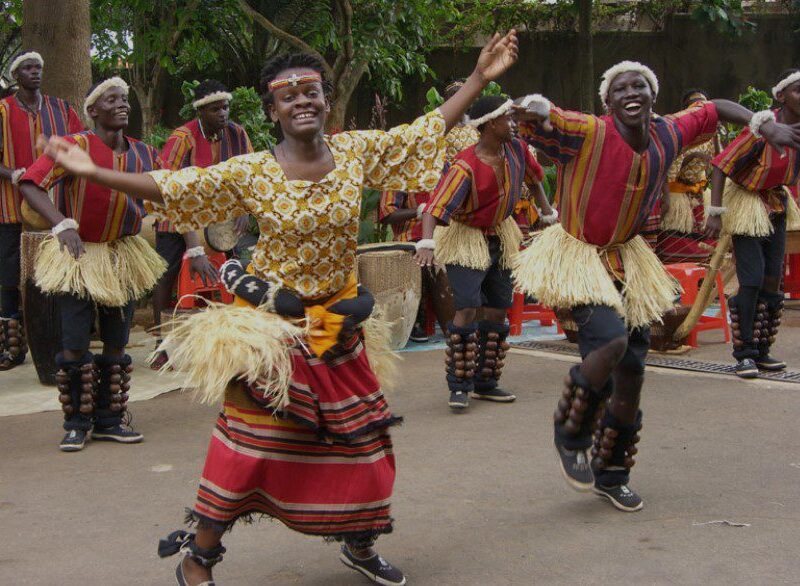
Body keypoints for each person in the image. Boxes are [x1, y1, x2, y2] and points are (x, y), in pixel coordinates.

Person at [37, 33, 519, 586]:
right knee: (247, 450)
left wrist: (480, 78)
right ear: (272, 110)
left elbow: (422, 134)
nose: (302, 102)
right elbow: (174, 186)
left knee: (363, 443)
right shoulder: (252, 172)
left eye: (311, 91)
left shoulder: (359, 152)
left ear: (325, 99)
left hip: (339, 328)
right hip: (272, 332)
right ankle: (198, 558)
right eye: (288, 96)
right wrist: (95, 172)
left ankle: (358, 543)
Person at [511, 61, 800, 512]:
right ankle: (570, 432)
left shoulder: (669, 131)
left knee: (631, 373)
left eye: (640, 85)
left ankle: (612, 474)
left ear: (652, 96)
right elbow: (539, 117)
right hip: (579, 255)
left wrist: (762, 124)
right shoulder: (588, 130)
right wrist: (534, 108)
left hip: (631, 257)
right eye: (621, 87)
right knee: (610, 343)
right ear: (608, 102)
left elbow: (716, 108)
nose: (632, 91)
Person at [19, 77, 165, 452]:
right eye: (112, 99)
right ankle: (76, 422)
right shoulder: (74, 146)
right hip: (79, 256)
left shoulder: (146, 154)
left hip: (123, 255)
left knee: (117, 342)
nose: (122, 104)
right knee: (73, 342)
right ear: (93, 110)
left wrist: (195, 248)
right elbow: (31, 183)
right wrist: (61, 222)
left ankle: (109, 421)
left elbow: (172, 195)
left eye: (125, 100)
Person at [415, 94, 556, 411]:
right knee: (466, 309)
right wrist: (426, 243)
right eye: (508, 118)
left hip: (502, 234)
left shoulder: (518, 151)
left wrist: (547, 213)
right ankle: (460, 386)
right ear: (490, 124)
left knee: (497, 309)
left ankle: (486, 383)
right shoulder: (464, 166)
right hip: (466, 239)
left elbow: (536, 179)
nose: (514, 124)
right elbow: (434, 209)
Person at [151, 80, 253, 369]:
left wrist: (244, 207)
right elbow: (167, 185)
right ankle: (162, 344)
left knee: (233, 275)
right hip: (176, 216)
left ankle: (227, 341)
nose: (223, 113)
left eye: (226, 107)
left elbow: (249, 173)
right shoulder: (183, 137)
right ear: (201, 111)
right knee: (166, 278)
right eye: (215, 109)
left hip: (219, 222)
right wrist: (193, 247)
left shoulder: (238, 134)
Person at [706, 69, 800, 378]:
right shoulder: (761, 129)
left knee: (773, 280)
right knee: (753, 278)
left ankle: (762, 351)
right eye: (798, 91)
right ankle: (743, 354)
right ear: (781, 95)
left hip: (776, 203)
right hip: (747, 203)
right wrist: (716, 211)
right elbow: (720, 166)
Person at [378, 79, 479, 343]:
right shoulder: (399, 172)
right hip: (411, 239)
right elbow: (388, 213)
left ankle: (461, 324)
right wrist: (419, 211)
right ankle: (432, 324)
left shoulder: (446, 168)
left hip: (445, 236)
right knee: (429, 261)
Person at [0, 50, 83, 370]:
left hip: (56, 210)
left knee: (62, 273)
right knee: (8, 277)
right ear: (15, 75)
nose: (35, 72)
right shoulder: (3, 112)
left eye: (38, 67)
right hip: (9, 207)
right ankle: (12, 347)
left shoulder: (61, 109)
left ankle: (65, 340)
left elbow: (80, 146)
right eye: (28, 68)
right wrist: (14, 175)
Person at [648, 89, 721, 263]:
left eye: (702, 102)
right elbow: (668, 164)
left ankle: (701, 282)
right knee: (675, 247)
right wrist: (693, 157)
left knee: (705, 248)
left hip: (699, 197)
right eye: (694, 103)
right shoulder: (679, 131)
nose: (698, 105)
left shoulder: (710, 134)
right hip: (676, 195)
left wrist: (716, 136)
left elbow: (719, 161)